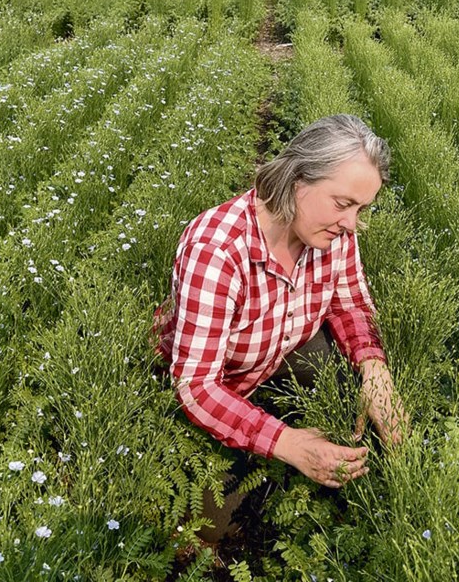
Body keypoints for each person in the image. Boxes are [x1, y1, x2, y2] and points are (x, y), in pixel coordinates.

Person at [153, 114, 408, 541]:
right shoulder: (219, 252)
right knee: (203, 529)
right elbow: (197, 387)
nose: (351, 224)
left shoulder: (333, 232)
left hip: (276, 346)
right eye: (343, 204)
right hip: (214, 385)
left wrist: (374, 368)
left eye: (361, 209)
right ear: (296, 181)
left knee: (353, 387)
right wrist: (288, 443)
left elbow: (351, 303)